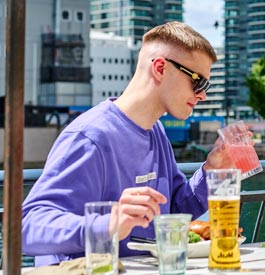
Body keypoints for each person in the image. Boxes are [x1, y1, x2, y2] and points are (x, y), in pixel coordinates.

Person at [22, 21, 238, 265]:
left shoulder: (155, 131)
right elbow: (28, 226)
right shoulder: (90, 137)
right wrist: (109, 224)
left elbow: (172, 211)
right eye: (198, 81)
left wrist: (212, 170)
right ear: (159, 68)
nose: (202, 95)